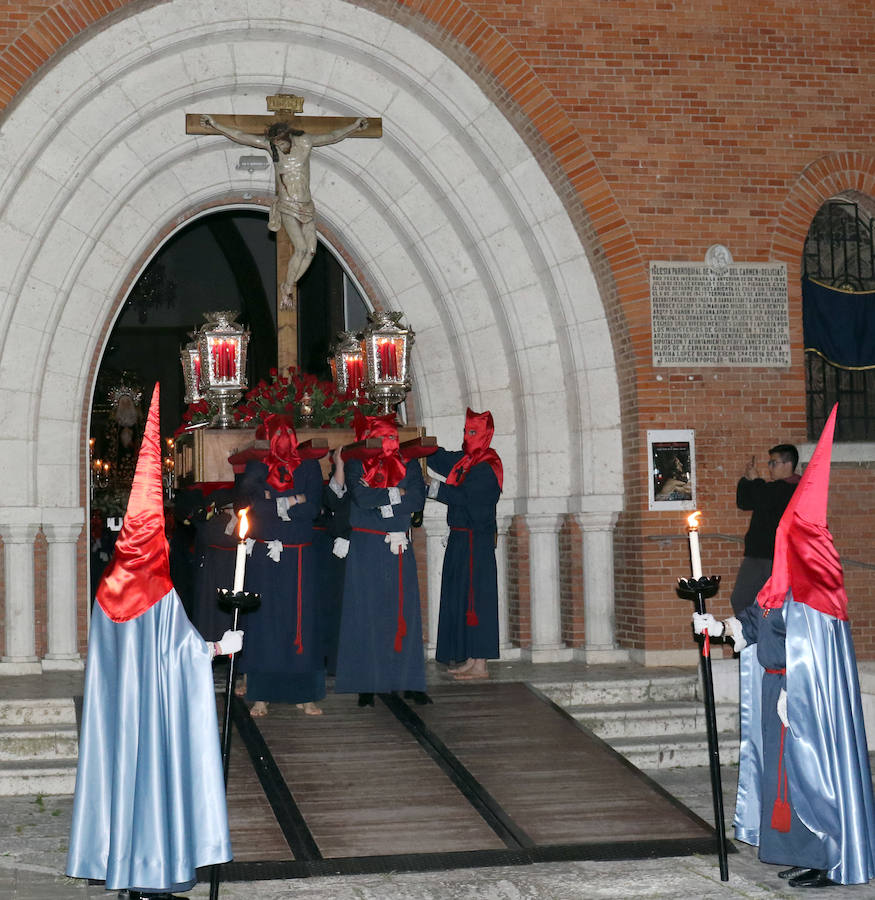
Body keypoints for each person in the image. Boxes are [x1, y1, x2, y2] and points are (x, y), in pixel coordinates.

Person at [67, 385, 243, 899]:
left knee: (124, 775)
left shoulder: (106, 591)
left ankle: (125, 867)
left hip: (120, 717)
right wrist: (220, 646)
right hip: (159, 716)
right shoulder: (160, 592)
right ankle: (154, 876)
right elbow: (182, 654)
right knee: (162, 779)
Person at [693, 406, 875, 888]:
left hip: (802, 702)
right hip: (780, 696)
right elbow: (754, 623)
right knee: (784, 782)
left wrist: (795, 692)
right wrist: (716, 626)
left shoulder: (816, 595)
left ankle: (830, 857)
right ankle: (801, 850)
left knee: (809, 779)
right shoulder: (779, 585)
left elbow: (810, 655)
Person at [200, 113, 368, 306]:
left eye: (279, 142)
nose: (277, 146)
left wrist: (353, 126)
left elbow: (332, 136)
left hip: (306, 205)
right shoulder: (273, 149)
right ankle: (288, 286)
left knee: (311, 251)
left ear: (287, 137)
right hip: (287, 205)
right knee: (301, 248)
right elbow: (241, 135)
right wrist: (216, 125)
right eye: (274, 144)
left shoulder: (304, 143)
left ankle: (289, 285)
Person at [728, 442, 801, 846]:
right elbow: (747, 499)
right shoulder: (776, 488)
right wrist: (751, 477)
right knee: (748, 606)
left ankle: (756, 646)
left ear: (787, 463)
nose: (771, 468)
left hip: (770, 561)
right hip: (759, 556)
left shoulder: (789, 488)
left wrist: (751, 477)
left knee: (752, 604)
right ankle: (751, 642)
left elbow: (754, 496)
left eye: (774, 462)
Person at [334, 413, 428, 706]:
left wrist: (384, 496)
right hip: (367, 545)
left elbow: (417, 500)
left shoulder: (409, 463)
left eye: (392, 436)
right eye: (383, 436)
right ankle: (367, 682)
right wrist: (395, 493)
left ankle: (409, 680)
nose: (389, 443)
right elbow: (361, 499)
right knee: (367, 612)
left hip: (399, 544)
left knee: (404, 611)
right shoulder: (354, 463)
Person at [234, 414, 325, 717]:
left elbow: (313, 506)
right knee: (265, 624)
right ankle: (262, 695)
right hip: (266, 555)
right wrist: (291, 501)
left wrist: (278, 500)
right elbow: (250, 504)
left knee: (301, 623)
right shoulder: (258, 464)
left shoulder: (309, 464)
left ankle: (305, 694)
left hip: (300, 554)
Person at [428, 408, 503, 680]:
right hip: (461, 539)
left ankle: (481, 664)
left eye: (473, 432)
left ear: (486, 435)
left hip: (477, 543)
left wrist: (431, 487)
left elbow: (464, 497)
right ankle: (471, 658)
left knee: (478, 601)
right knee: (461, 597)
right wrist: (417, 444)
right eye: (465, 431)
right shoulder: (466, 461)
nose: (467, 436)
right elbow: (440, 458)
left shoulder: (488, 466)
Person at [312, 445, 351, 676]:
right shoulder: (335, 478)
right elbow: (333, 498)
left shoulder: (354, 475)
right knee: (329, 602)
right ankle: (331, 657)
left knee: (341, 603)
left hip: (342, 542)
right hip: (325, 543)